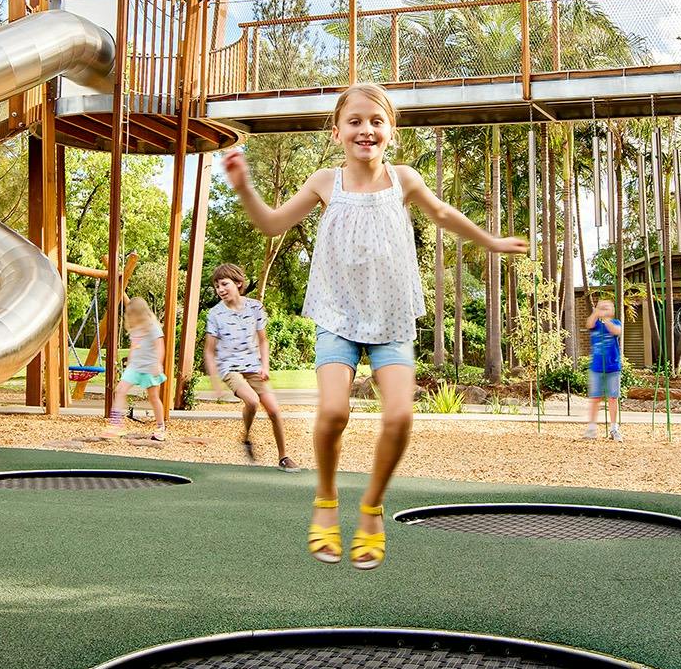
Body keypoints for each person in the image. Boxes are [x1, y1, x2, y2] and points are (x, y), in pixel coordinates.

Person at [222, 82, 527, 570]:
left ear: (390, 131)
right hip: (339, 316)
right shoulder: (326, 181)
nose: (366, 129)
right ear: (338, 131)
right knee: (333, 414)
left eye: (376, 121)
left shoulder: (403, 179)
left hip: (390, 320)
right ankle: (325, 498)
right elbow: (273, 224)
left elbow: (443, 213)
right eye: (356, 121)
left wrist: (490, 241)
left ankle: (371, 507)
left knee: (400, 417)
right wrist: (243, 188)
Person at [202, 263, 295, 470]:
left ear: (238, 283)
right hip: (230, 368)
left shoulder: (255, 307)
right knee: (252, 401)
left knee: (274, 411)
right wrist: (216, 382)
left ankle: (284, 457)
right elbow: (209, 350)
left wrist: (266, 366)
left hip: (254, 366)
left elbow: (263, 340)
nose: (220, 289)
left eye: (224, 284)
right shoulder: (215, 314)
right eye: (217, 286)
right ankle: (246, 437)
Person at [100, 297, 167, 443]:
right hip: (135, 367)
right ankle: (116, 425)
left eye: (132, 315)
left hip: (150, 367)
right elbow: (133, 346)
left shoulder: (153, 327)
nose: (130, 318)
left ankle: (161, 427)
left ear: (141, 314)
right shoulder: (135, 329)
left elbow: (160, 346)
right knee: (120, 390)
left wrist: (158, 364)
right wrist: (129, 362)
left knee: (153, 398)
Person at [584, 299, 624, 441]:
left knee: (613, 398)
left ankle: (614, 428)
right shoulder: (595, 325)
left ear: (613, 311)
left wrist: (606, 318)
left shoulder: (616, 323)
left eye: (608, 307)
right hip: (596, 368)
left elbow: (616, 331)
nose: (604, 309)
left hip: (613, 367)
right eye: (602, 307)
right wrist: (597, 311)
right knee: (595, 398)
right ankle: (592, 428)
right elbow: (588, 323)